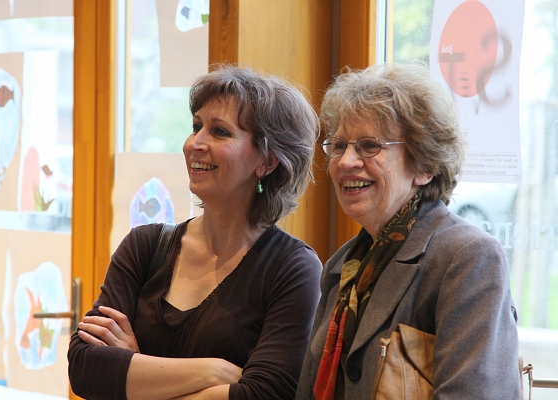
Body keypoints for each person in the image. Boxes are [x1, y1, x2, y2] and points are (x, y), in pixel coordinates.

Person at [68, 65, 323, 400]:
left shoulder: (293, 268)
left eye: (220, 132)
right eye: (196, 126)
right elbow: (85, 368)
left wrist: (137, 370)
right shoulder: (145, 246)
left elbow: (264, 395)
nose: (194, 144)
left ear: (267, 162)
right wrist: (213, 372)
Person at [296, 62, 521, 399]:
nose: (345, 161)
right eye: (339, 145)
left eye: (369, 146)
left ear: (424, 166)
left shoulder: (468, 257)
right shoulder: (342, 265)